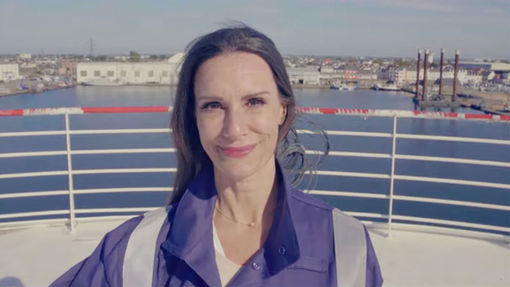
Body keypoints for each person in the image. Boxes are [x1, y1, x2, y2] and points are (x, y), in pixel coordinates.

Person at [51, 24, 383, 287]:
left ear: (283, 109)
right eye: (213, 106)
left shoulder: (346, 248)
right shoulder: (133, 252)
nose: (234, 128)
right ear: (193, 120)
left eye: (254, 101)